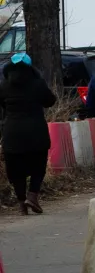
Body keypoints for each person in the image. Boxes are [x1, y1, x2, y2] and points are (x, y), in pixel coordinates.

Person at [1, 54, 56, 214]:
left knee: (15, 169)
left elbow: (2, 105)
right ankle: (32, 196)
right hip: (35, 131)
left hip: (12, 132)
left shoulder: (4, 85)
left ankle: (21, 203)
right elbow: (50, 101)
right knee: (38, 166)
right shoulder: (37, 84)